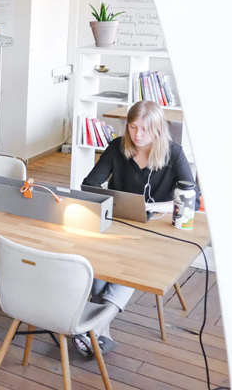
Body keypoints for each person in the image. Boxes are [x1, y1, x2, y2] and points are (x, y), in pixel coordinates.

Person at [78, 100, 196, 357]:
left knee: (131, 265)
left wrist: (152, 207)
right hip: (119, 224)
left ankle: (92, 329)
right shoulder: (117, 147)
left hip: (156, 232)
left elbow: (192, 201)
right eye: (132, 127)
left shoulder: (173, 154)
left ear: (158, 129)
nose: (138, 135)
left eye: (145, 129)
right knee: (99, 268)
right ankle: (101, 333)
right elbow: (90, 185)